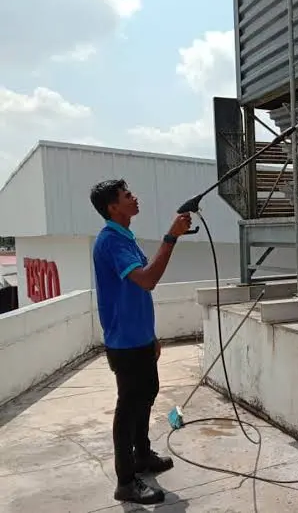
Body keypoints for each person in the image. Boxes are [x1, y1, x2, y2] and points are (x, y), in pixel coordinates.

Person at [89, 179, 191, 505]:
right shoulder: (111, 242)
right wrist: (171, 236)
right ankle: (125, 480)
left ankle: (142, 456)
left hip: (140, 339)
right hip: (125, 342)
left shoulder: (125, 238)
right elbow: (147, 281)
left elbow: (134, 292)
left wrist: (151, 336)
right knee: (128, 407)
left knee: (146, 395)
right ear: (112, 207)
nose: (135, 198)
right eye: (127, 196)